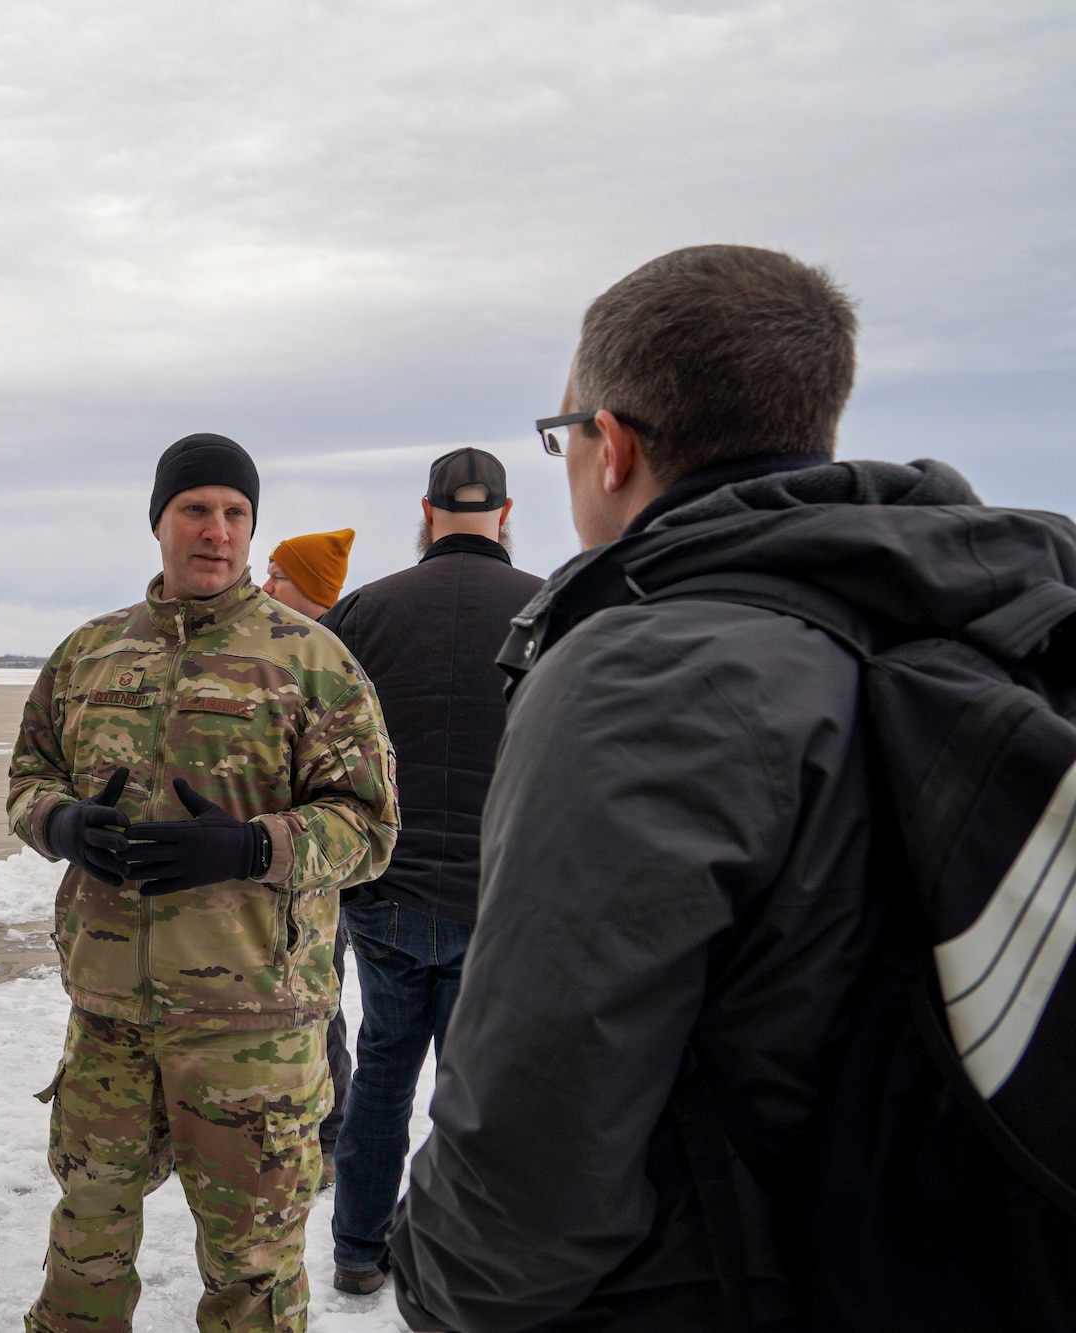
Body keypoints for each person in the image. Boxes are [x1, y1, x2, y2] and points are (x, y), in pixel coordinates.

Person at [388, 245, 1074, 1330]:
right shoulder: (984, 609)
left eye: (562, 433)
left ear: (607, 446)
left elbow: (537, 1137)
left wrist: (436, 1287)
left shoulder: (646, 672)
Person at [8, 432, 398, 1333]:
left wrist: (252, 850)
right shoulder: (89, 654)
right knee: (86, 1243)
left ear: (252, 528)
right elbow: (28, 776)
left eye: (234, 512)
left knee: (251, 1274)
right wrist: (61, 822)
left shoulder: (313, 662)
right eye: (195, 509)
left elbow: (371, 828)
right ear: (160, 521)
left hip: (252, 1033)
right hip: (108, 1017)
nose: (215, 530)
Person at [317, 449, 542, 1295]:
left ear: (426, 509)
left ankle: (358, 1251)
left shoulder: (364, 611)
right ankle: (469, 1262)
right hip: (497, 895)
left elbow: (317, 751)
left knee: (382, 1070)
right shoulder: (550, 608)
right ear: (507, 511)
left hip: (389, 893)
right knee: (475, 1088)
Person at [258, 526, 358, 1182]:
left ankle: (328, 1139)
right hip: (259, 868)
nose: (264, 586)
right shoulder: (268, 652)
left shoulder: (340, 664)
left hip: (319, 874)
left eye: (278, 576)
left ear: (313, 592)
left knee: (316, 1003)